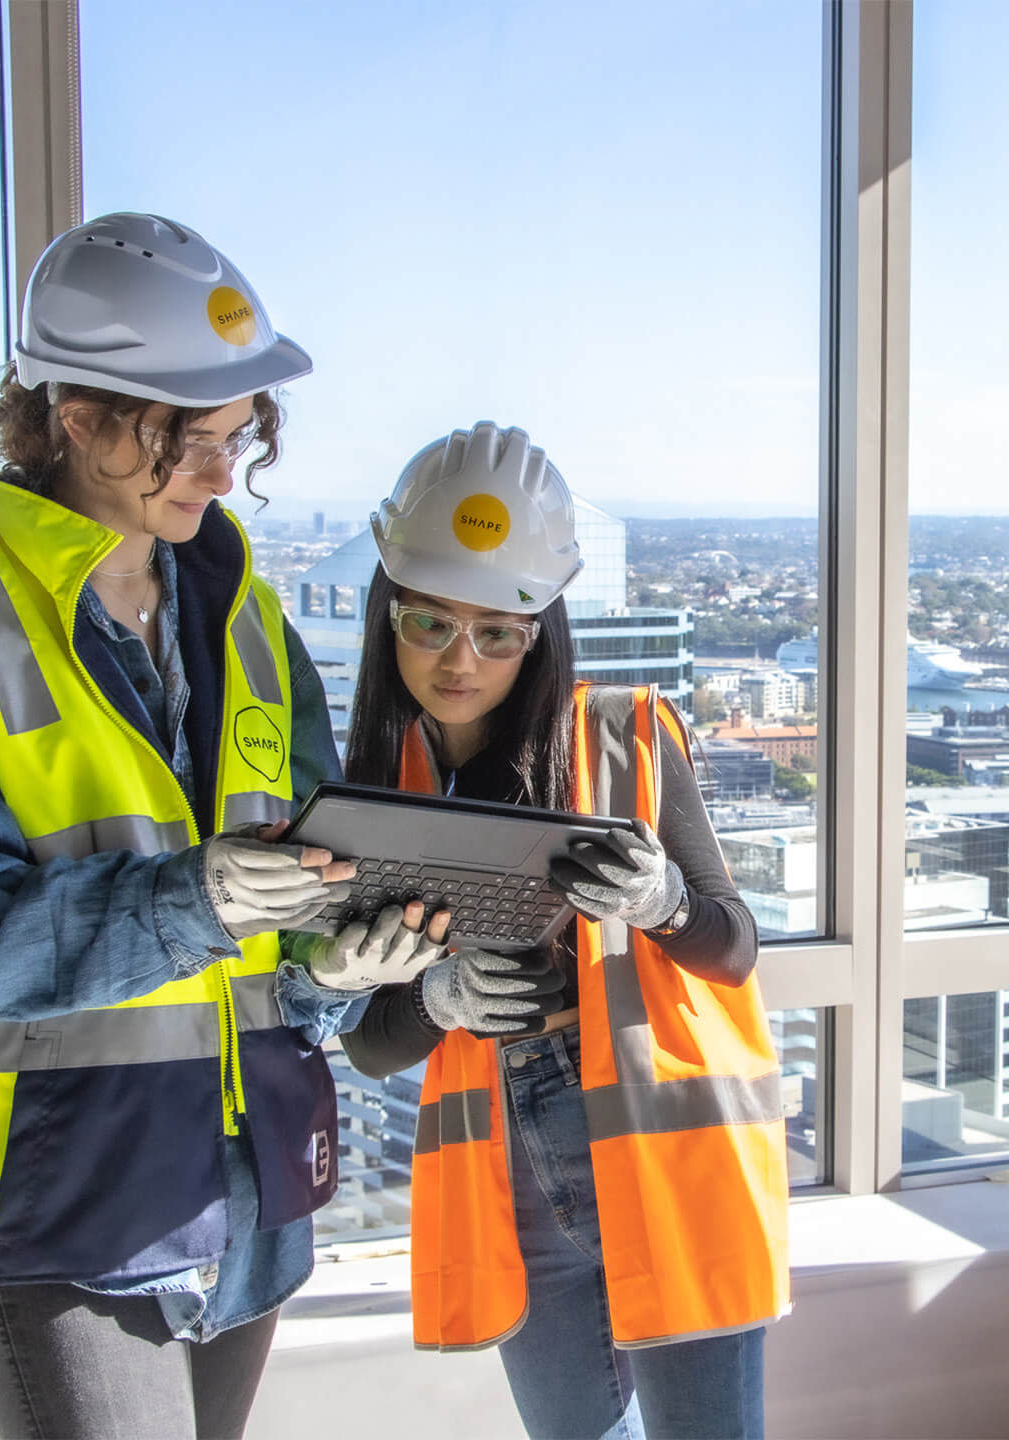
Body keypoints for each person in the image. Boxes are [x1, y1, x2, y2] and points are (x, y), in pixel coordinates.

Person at [0, 212, 442, 1440]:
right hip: (63, 1188)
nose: (222, 477)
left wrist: (333, 963)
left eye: (235, 442)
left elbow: (293, 901)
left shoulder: (251, 622)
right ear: (78, 416)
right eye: (189, 442)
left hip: (249, 1179)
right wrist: (195, 902)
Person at [338, 422, 792, 1440]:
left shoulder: (623, 734)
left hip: (669, 1161)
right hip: (512, 1176)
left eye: (499, 631)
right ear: (388, 616)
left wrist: (663, 901)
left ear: (540, 630)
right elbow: (367, 1043)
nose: (464, 660)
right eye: (432, 626)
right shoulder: (381, 791)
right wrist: (435, 1000)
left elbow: (733, 947)